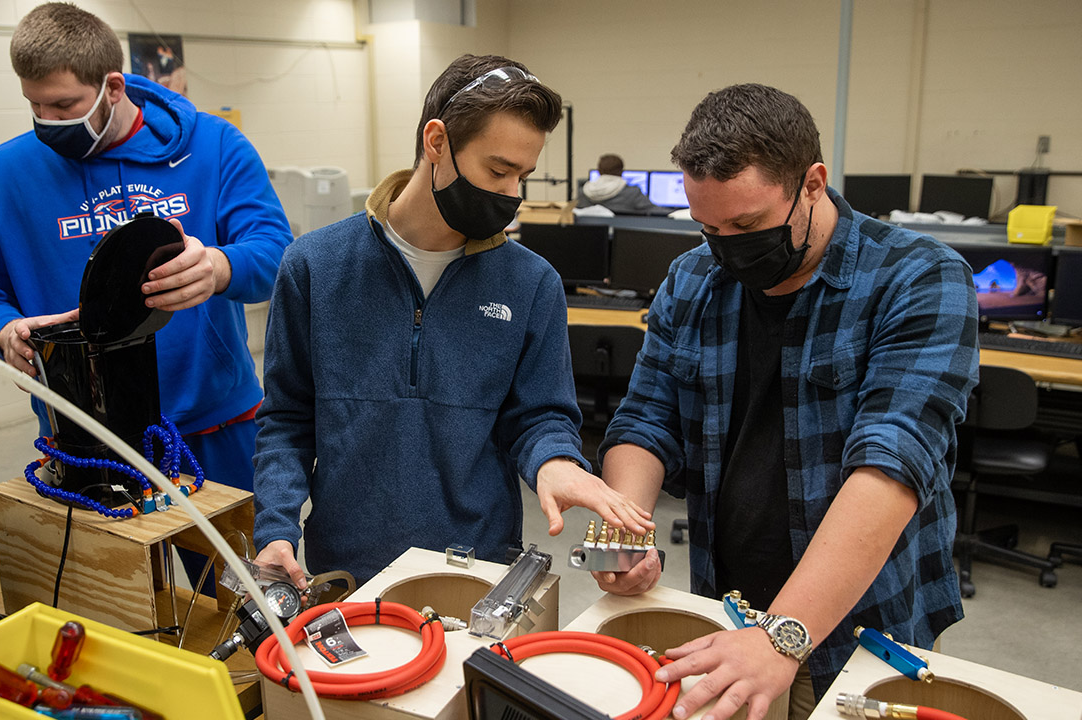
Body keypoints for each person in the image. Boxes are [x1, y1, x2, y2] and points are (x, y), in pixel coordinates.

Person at [595, 84, 978, 719]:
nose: (727, 246)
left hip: (863, 618)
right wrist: (625, 528)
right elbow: (646, 416)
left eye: (746, 225)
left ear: (812, 183)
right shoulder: (694, 277)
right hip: (728, 601)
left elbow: (893, 462)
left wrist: (784, 634)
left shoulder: (919, 277)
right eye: (708, 226)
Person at [252, 54, 654, 585]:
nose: (512, 194)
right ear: (436, 142)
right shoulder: (315, 267)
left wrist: (555, 460)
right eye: (498, 170)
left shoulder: (531, 283)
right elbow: (287, 419)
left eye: (523, 175)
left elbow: (541, 417)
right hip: (349, 572)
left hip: (480, 572)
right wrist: (276, 528)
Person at [0, 2, 292, 496]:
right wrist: (3, 332)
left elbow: (278, 253)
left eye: (64, 106)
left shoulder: (214, 146)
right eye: (34, 105)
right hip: (82, 434)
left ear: (113, 87)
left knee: (233, 572)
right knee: (109, 576)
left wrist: (220, 266)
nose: (47, 121)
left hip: (214, 422)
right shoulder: (2, 176)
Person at [576, 154, 661, 215]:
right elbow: (655, 211)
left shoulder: (583, 192)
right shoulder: (632, 193)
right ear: (621, 171)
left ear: (599, 171)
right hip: (621, 237)